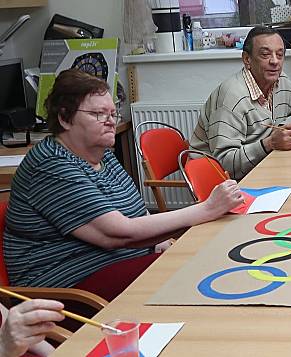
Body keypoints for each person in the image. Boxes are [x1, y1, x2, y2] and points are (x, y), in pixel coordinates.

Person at [3, 69, 245, 302]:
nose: (110, 122)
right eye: (99, 114)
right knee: (195, 271)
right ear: (65, 118)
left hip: (115, 265)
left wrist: (159, 241)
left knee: (205, 257)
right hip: (69, 289)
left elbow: (137, 213)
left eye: (113, 114)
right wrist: (206, 209)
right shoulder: (50, 164)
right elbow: (117, 233)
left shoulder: (102, 155)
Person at [189, 26, 291, 180]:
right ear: (247, 59)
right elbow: (224, 164)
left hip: (262, 167)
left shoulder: (280, 80)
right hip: (221, 183)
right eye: (265, 54)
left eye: (280, 54)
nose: (275, 61)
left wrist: (285, 127)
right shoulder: (232, 97)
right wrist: (269, 143)